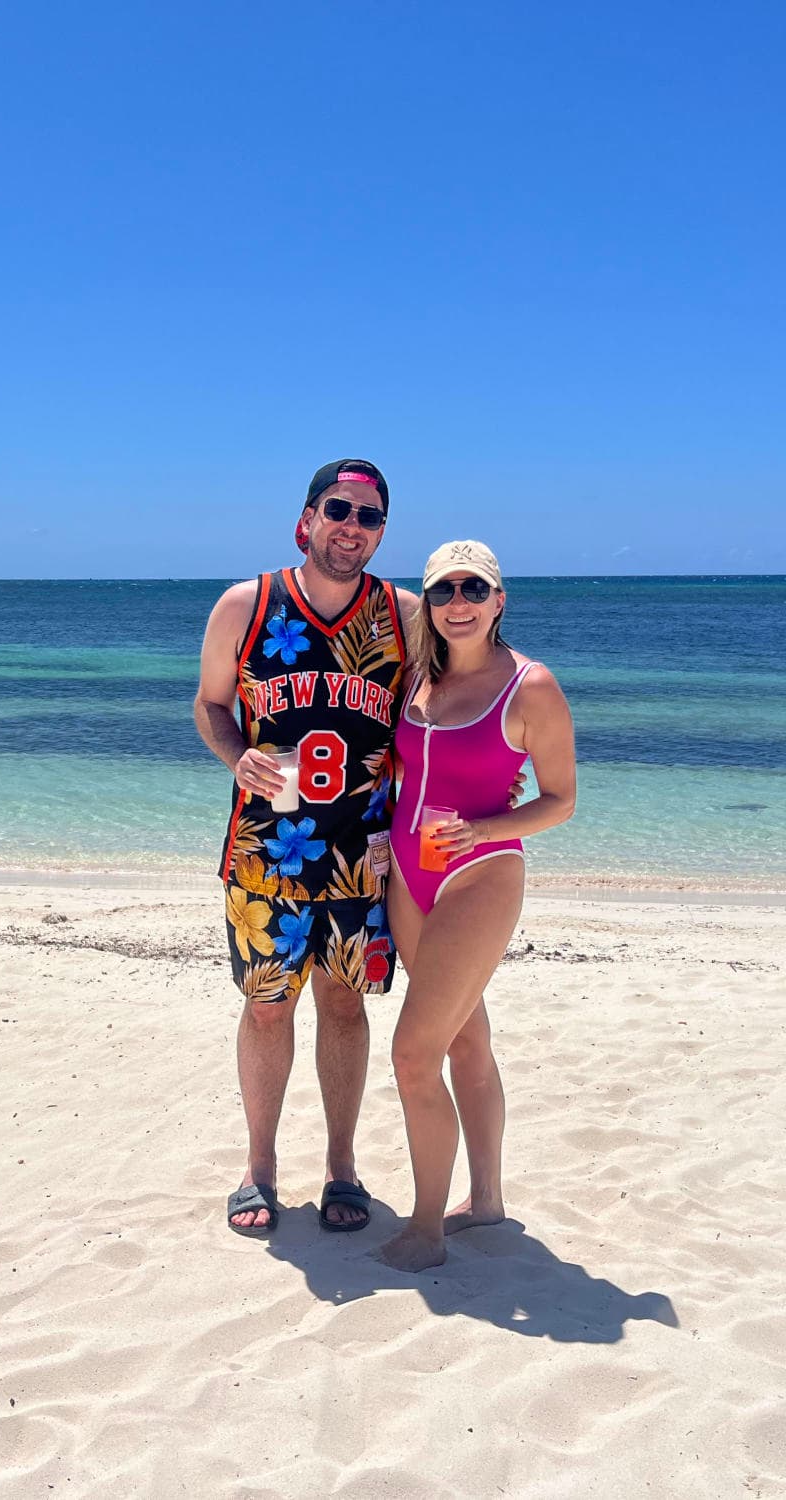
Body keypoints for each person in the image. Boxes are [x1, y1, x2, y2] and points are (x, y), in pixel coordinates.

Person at [194, 458, 422, 1236]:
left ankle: (342, 1167)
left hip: (364, 852)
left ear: (381, 532)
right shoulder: (246, 606)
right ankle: (259, 1168)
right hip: (267, 850)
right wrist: (236, 757)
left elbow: (447, 711)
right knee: (265, 1009)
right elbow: (210, 705)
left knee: (345, 1004)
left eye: (368, 517)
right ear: (306, 519)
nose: (351, 527)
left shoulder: (406, 616)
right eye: (338, 509)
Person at [377, 540, 576, 1271]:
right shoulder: (414, 675)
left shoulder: (530, 687)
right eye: (442, 591)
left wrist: (485, 828)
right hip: (407, 874)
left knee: (412, 1052)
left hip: (479, 875)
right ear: (427, 602)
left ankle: (425, 1230)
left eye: (474, 588)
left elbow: (562, 801)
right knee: (464, 1039)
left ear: (500, 599)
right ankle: (485, 1201)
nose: (457, 602)